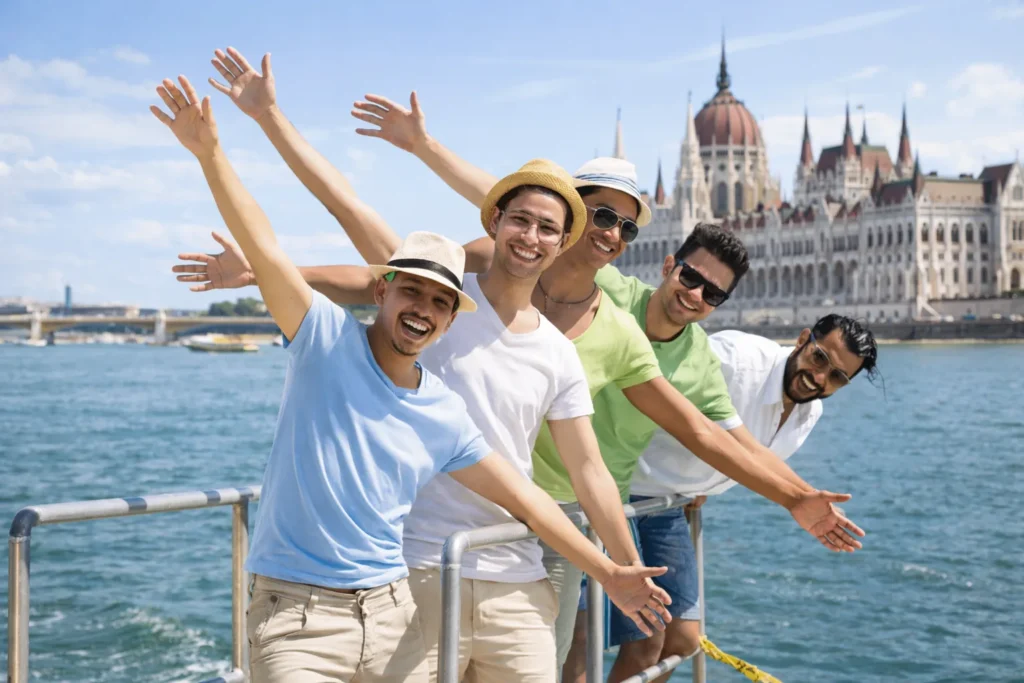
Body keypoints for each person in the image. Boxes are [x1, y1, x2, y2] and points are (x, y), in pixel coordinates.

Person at [173, 51, 863, 678]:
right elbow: (365, 233)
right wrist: (269, 153)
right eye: (597, 218)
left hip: (526, 555)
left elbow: (626, 457)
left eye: (623, 227)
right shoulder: (447, 297)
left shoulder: (590, 330)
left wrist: (633, 562)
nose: (609, 234)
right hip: (414, 559)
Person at [151, 73, 670, 683]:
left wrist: (621, 569)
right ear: (495, 222)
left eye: (547, 229)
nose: (423, 307)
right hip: (408, 568)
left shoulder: (478, 390)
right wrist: (256, 130)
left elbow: (566, 481)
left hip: (503, 573)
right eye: (520, 221)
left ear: (561, 243)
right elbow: (340, 210)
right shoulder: (406, 303)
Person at [607, 315, 879, 682]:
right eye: (819, 359)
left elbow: (748, 458)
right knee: (640, 636)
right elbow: (646, 381)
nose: (819, 378)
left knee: (684, 639)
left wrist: (705, 485)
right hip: (622, 487)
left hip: (670, 502)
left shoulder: (809, 412)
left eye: (837, 377)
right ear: (802, 339)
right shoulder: (735, 358)